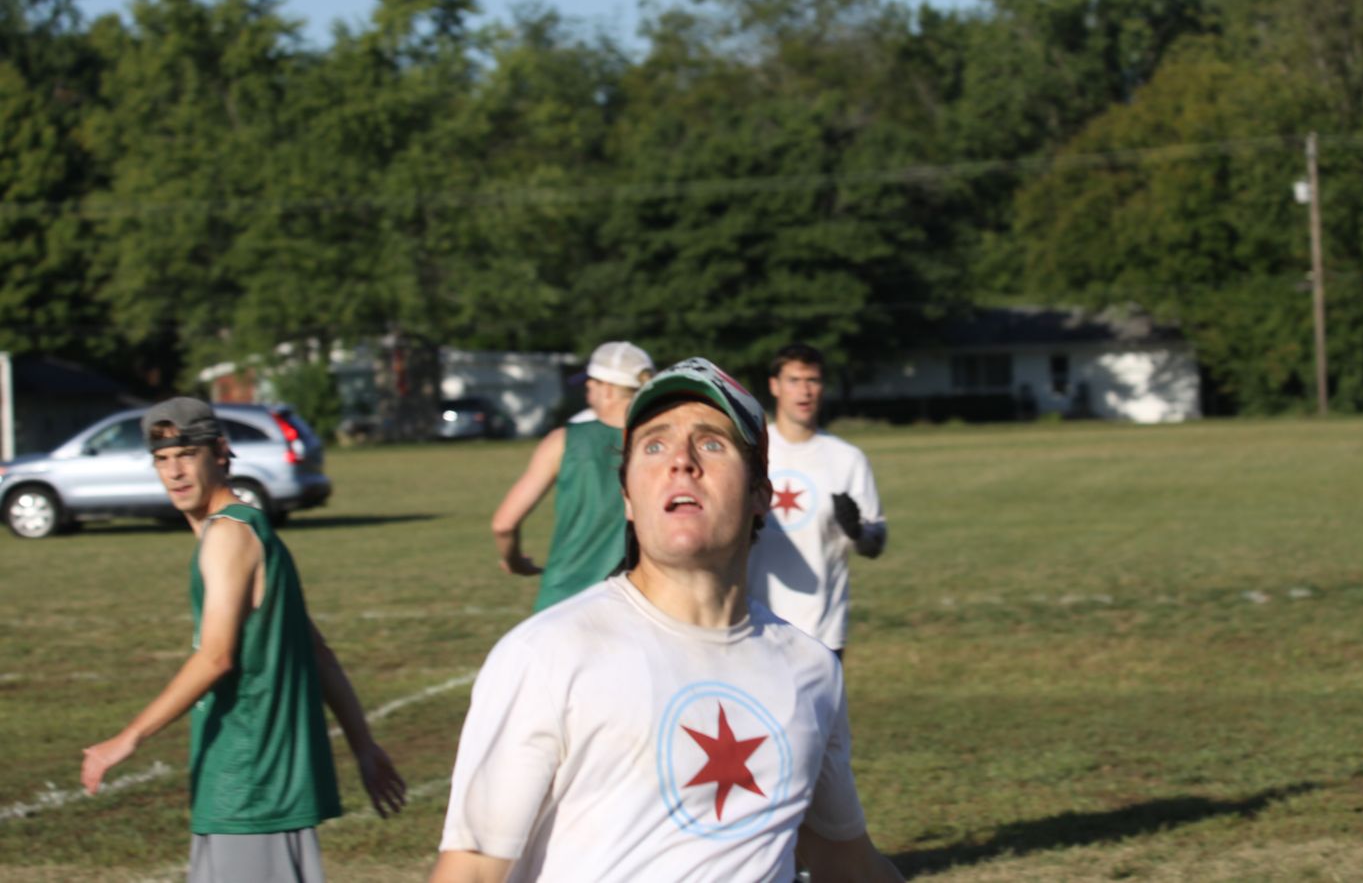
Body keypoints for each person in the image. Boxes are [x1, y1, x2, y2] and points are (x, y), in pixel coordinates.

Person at [432, 358, 903, 882]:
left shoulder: (811, 670)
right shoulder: (548, 654)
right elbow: (472, 870)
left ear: (760, 495)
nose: (681, 461)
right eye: (654, 446)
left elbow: (847, 863)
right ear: (628, 497)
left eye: (712, 444)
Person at [80, 397, 405, 883]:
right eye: (162, 459)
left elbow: (215, 658)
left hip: (249, 782)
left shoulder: (228, 536)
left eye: (186, 454)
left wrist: (125, 740)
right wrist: (363, 746)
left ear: (219, 453)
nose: (175, 472)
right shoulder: (253, 531)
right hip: (253, 782)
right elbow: (317, 652)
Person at [489, 341, 655, 613]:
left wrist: (515, 561)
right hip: (640, 604)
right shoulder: (663, 442)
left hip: (566, 598)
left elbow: (503, 525)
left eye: (590, 385)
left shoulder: (564, 441)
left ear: (607, 389)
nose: (587, 391)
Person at [747, 343, 888, 658]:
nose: (805, 391)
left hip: (822, 630)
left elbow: (875, 542)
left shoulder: (848, 459)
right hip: (753, 624)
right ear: (774, 386)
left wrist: (858, 532)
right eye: (794, 380)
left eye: (813, 380)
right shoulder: (750, 452)